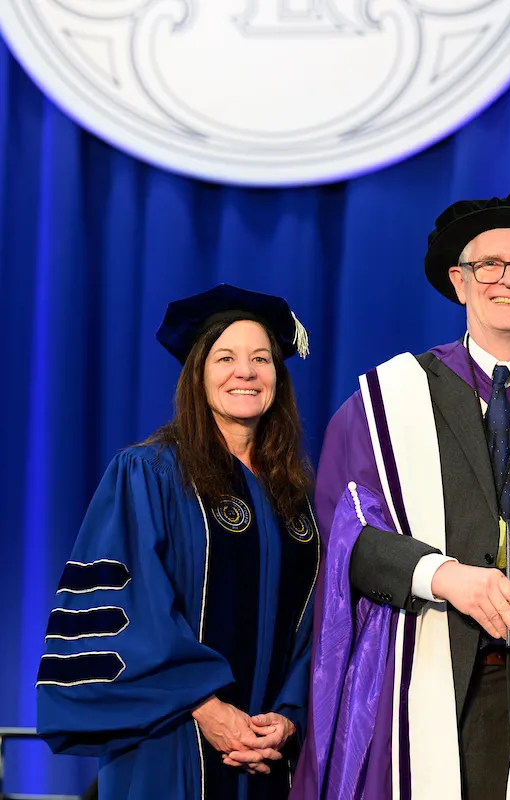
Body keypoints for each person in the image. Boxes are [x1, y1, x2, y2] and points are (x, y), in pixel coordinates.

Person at [292, 190, 510, 800]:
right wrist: (441, 576)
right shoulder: (383, 404)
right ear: (459, 281)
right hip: (416, 679)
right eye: (489, 265)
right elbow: (347, 537)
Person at [36, 285, 320, 799]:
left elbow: (317, 624)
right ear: (198, 374)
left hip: (271, 757)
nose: (246, 372)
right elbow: (127, 609)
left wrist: (290, 715)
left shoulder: (295, 497)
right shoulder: (149, 474)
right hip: (171, 742)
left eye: (261, 358)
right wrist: (207, 708)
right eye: (226, 358)